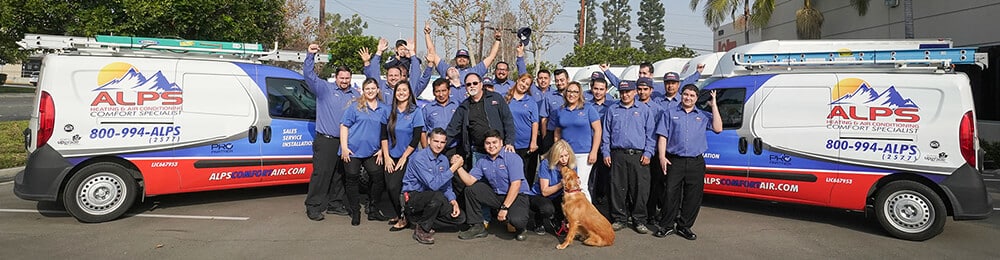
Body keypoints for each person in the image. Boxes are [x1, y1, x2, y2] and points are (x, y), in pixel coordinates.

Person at [654, 84, 723, 240]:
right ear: (681, 95)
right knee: (670, 194)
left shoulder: (703, 115)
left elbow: (718, 128)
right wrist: (662, 157)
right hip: (674, 161)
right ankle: (667, 226)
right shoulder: (670, 114)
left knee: (693, 196)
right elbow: (663, 136)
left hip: (695, 162)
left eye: (692, 96)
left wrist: (714, 105)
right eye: (686, 94)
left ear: (696, 98)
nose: (688, 98)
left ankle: (685, 226)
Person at [303, 43, 358, 221]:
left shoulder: (355, 94)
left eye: (347, 78)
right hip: (326, 140)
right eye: (342, 78)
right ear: (336, 77)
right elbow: (309, 76)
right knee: (322, 174)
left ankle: (335, 204)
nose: (344, 81)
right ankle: (313, 206)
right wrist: (310, 56)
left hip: (344, 143)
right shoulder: (324, 89)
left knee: (339, 175)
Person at [453, 130, 531, 241]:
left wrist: (504, 208)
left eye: (494, 142)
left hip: (517, 196)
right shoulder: (482, 161)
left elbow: (516, 185)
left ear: (501, 143)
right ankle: (477, 226)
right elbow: (469, 181)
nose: (491, 146)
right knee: (471, 190)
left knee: (518, 221)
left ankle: (521, 228)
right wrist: (458, 166)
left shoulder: (513, 158)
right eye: (488, 143)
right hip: (497, 195)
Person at [601, 81, 657, 234]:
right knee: (617, 188)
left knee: (640, 190)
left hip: (639, 156)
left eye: (628, 92)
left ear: (634, 93)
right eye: (622, 92)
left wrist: (648, 152)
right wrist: (606, 152)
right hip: (617, 154)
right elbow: (606, 133)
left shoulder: (644, 110)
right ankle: (619, 218)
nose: (625, 95)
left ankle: (639, 220)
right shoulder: (613, 110)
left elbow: (651, 135)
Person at [400, 128, 466, 244]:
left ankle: (417, 221)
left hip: (433, 200)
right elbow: (434, 185)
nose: (439, 145)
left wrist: (452, 200)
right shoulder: (419, 158)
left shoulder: (443, 160)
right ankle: (422, 229)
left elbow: (446, 186)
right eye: (436, 141)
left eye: (442, 142)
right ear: (429, 140)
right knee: (437, 196)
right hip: (413, 197)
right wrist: (454, 167)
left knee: (460, 218)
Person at [340, 78, 391, 226]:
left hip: (373, 151)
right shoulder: (355, 107)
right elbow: (344, 126)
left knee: (378, 178)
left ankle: (373, 209)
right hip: (352, 150)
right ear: (363, 90)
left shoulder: (384, 109)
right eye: (367, 88)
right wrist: (344, 147)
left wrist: (383, 149)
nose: (370, 91)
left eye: (373, 88)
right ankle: (355, 211)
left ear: (378, 90)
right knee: (352, 178)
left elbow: (387, 131)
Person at [445, 73, 516, 169]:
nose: (472, 86)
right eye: (468, 84)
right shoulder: (464, 107)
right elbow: (452, 129)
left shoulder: (496, 98)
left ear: (481, 84)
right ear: (465, 87)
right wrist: (438, 146)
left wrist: (509, 142)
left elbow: (508, 121)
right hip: (478, 152)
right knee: (479, 182)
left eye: (475, 83)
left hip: (499, 149)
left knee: (502, 181)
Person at [382, 81, 425, 231]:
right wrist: (386, 156)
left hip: (408, 156)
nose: (401, 92)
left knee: (395, 187)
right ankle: (397, 213)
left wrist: (404, 157)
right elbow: (383, 135)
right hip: (391, 156)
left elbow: (416, 137)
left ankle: (404, 218)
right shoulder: (388, 111)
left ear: (409, 92)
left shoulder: (415, 111)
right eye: (398, 90)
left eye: (404, 90)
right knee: (389, 187)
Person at [551, 81, 601, 201]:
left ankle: (587, 216)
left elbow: (598, 130)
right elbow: (557, 131)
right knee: (568, 186)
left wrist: (594, 151)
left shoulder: (588, 108)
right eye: (569, 91)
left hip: (584, 154)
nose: (572, 94)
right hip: (567, 155)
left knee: (580, 185)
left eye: (575, 92)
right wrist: (558, 148)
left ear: (580, 94)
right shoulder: (560, 111)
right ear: (565, 93)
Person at [426, 23, 502, 87]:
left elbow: (491, 57)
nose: (462, 59)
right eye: (459, 57)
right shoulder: (449, 70)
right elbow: (432, 54)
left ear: (468, 60)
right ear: (455, 59)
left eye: (464, 57)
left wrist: (497, 40)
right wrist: (427, 34)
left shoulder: (475, 71)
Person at [527, 139, 574, 235]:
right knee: (547, 209)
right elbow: (545, 191)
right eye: (561, 157)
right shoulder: (546, 164)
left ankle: (559, 220)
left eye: (566, 155)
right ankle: (539, 220)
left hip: (558, 195)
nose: (564, 160)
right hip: (540, 196)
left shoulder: (571, 164)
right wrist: (562, 183)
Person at [505, 73, 539, 185]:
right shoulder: (506, 98)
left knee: (526, 176)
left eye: (527, 84)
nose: (524, 85)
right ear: (518, 80)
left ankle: (525, 199)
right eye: (523, 81)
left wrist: (533, 142)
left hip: (526, 145)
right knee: (511, 175)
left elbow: (535, 122)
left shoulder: (531, 102)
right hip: (510, 144)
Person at [538, 68, 571, 155]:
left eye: (562, 80)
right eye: (557, 81)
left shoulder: (574, 96)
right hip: (552, 134)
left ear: (568, 79)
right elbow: (544, 118)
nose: (559, 83)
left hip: (569, 133)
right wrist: (545, 138)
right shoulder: (549, 97)